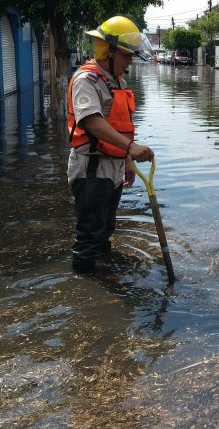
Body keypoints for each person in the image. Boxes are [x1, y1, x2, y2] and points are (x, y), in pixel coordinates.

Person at [66, 16, 155, 273]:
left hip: (113, 168)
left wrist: (126, 161)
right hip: (92, 168)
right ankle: (86, 293)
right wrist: (130, 149)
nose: (129, 61)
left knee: (105, 230)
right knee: (88, 236)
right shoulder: (87, 80)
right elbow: (91, 121)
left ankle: (104, 276)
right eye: (126, 55)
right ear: (109, 51)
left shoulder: (117, 82)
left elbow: (121, 123)